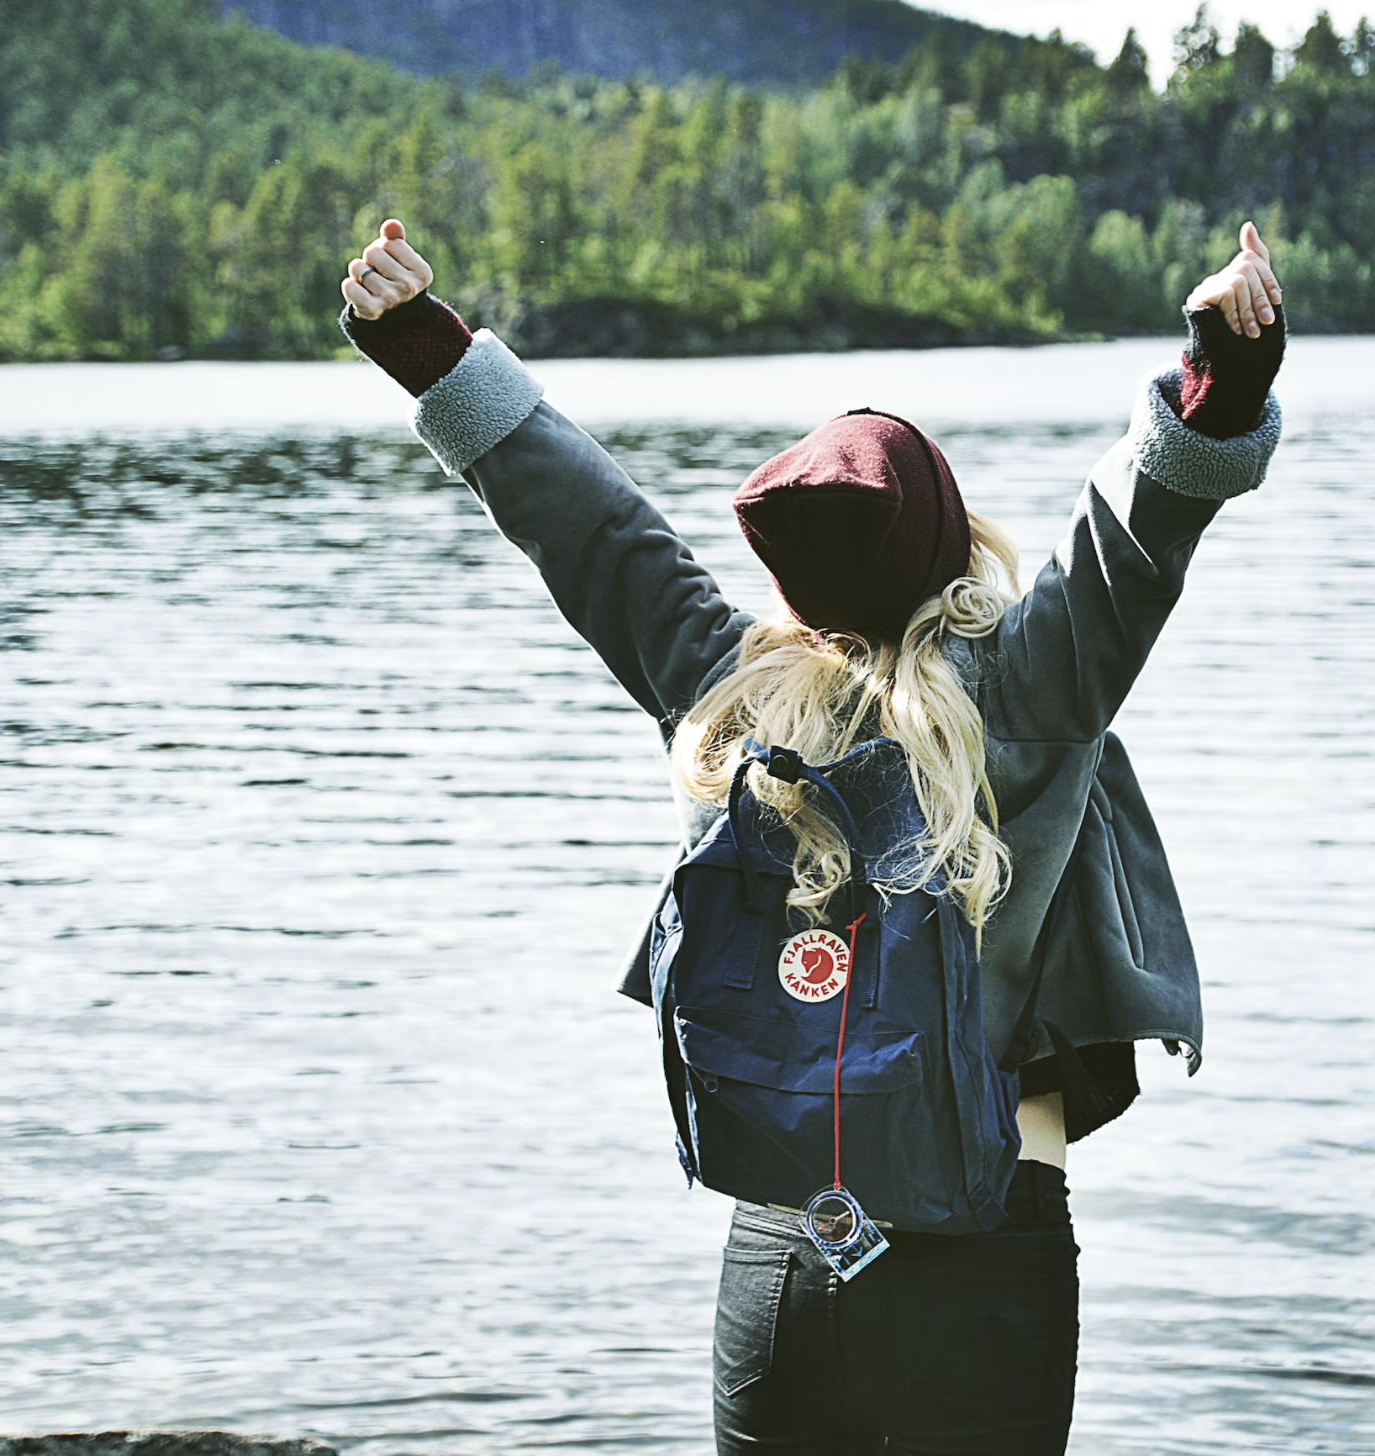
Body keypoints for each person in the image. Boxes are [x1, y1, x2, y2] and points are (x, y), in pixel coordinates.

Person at [337, 217, 1285, 1455]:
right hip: (983, 1252)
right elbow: (1140, 527)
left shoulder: (725, 689)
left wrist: (425, 346)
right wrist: (1222, 367)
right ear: (949, 538)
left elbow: (588, 525)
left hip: (784, 1253)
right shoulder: (1029, 685)